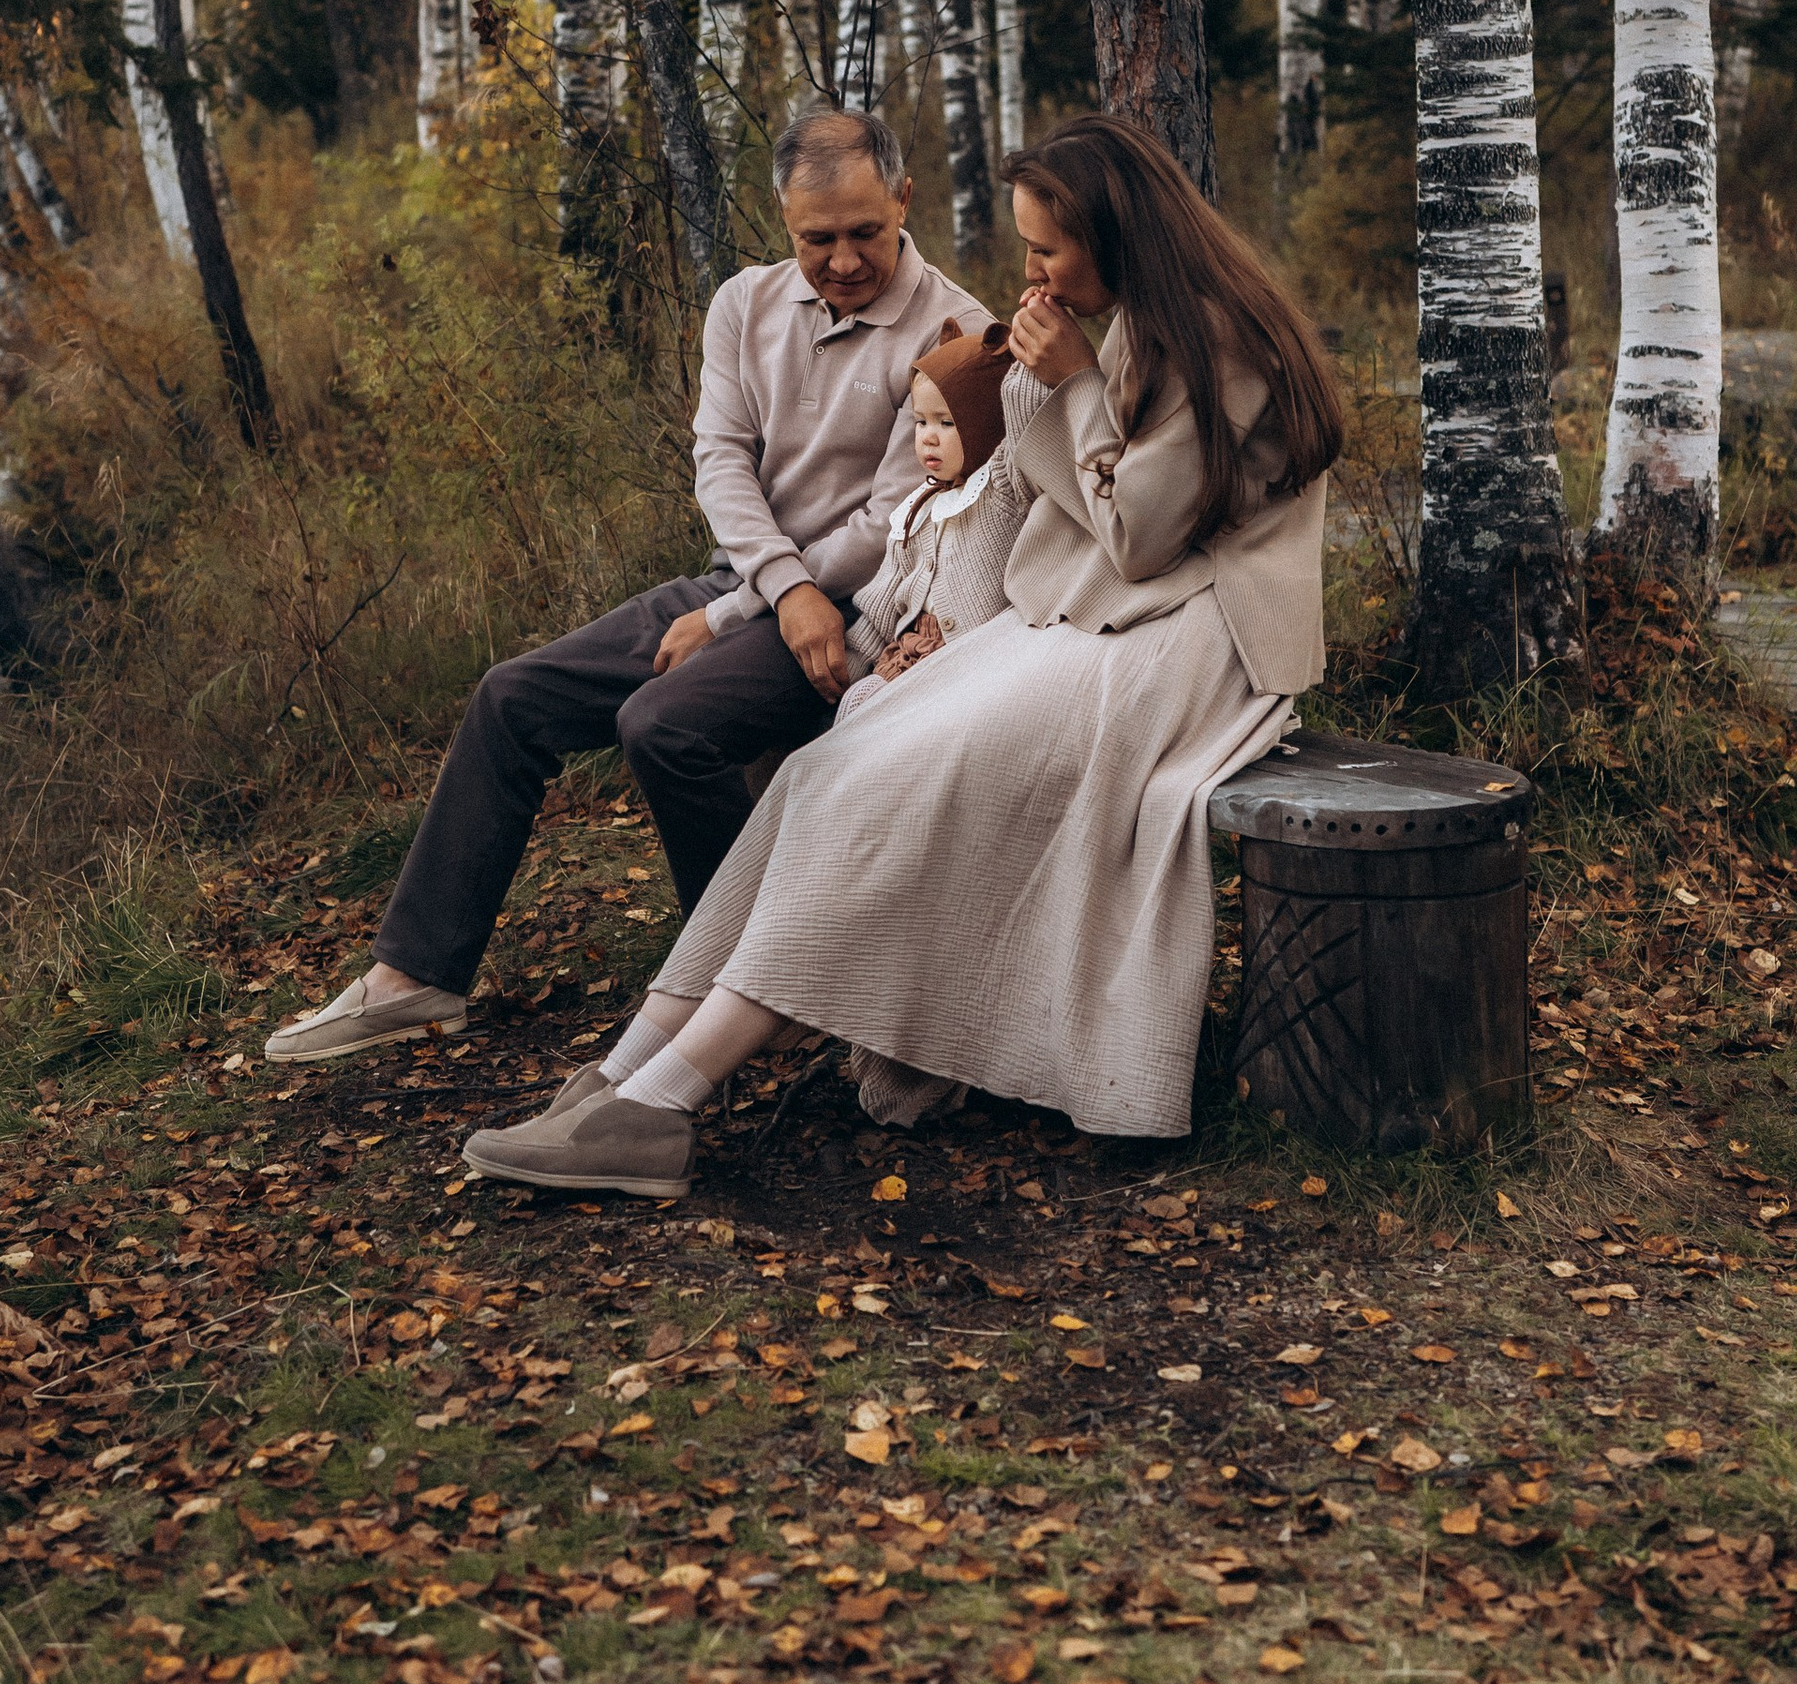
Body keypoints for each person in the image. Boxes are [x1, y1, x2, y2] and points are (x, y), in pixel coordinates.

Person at [460, 114, 1346, 1198]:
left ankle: (663, 1104)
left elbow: (1141, 532)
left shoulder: (1223, 342)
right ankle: (625, 1073)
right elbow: (1055, 506)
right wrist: (1046, 395)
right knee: (829, 767)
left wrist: (1064, 388)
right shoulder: (1128, 325)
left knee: (894, 787)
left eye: (1045, 250)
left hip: (1186, 646)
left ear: (1118, 237)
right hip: (1087, 621)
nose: (1030, 273)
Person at [262, 105, 992, 1065]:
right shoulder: (744, 304)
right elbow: (720, 460)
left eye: (867, 232)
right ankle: (417, 976)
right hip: (758, 589)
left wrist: (747, 607)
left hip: (861, 610)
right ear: (782, 217)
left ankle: (739, 983)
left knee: (665, 726)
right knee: (513, 696)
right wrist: (758, 593)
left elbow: (890, 525)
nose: (846, 260)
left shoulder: (955, 331)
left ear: (904, 199)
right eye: (819, 239)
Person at [839, 324, 1027, 696]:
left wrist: (1024, 351)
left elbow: (1023, 413)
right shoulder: (917, 508)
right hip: (910, 652)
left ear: (986, 423)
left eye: (947, 422)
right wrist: (851, 664)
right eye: (921, 421)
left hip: (974, 660)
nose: (927, 435)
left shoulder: (1002, 486)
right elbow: (883, 599)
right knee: (859, 703)